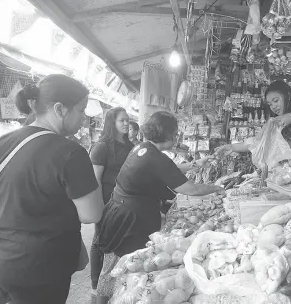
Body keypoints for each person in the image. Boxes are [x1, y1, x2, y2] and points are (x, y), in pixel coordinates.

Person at [95, 111, 225, 304]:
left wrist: (194, 165)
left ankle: (105, 300)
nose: (177, 137)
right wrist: (217, 188)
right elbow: (191, 188)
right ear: (169, 134)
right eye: (175, 132)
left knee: (115, 267)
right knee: (126, 269)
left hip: (120, 212)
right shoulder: (155, 157)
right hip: (129, 220)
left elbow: (168, 169)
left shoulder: (143, 148)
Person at [0, 74, 104, 304]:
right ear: (60, 109)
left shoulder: (3, 142)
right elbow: (91, 214)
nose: (84, 120)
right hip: (43, 267)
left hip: (3, 262)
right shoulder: (70, 153)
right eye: (82, 110)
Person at [89, 107, 134, 296]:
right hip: (107, 200)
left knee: (118, 240)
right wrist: (99, 205)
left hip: (124, 202)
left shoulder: (130, 146)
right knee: (100, 241)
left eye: (127, 120)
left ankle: (111, 284)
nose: (126, 123)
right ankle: (95, 285)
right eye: (121, 120)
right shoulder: (102, 147)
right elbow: (95, 180)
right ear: (112, 123)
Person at [216, 80, 291, 154]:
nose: (273, 107)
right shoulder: (278, 122)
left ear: (288, 94)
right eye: (270, 104)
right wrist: (233, 147)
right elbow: (260, 141)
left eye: (276, 100)